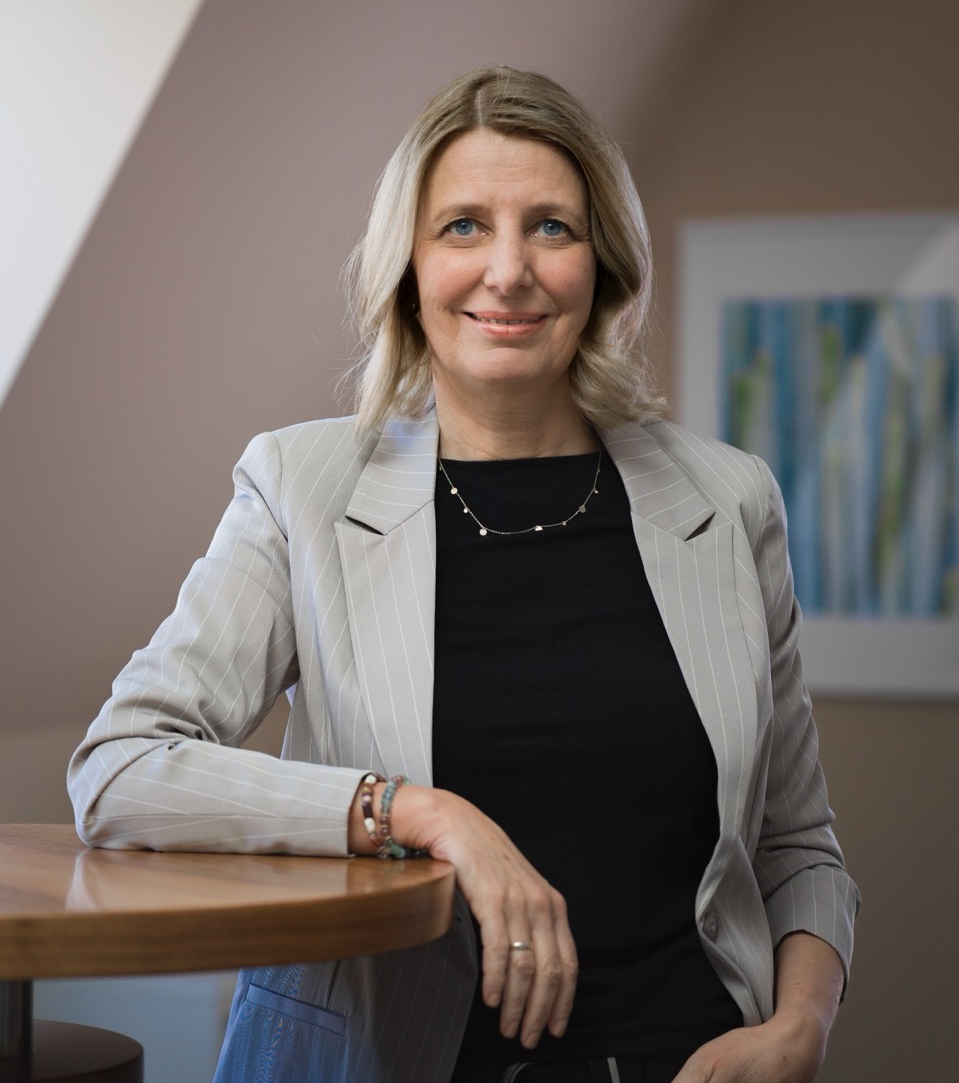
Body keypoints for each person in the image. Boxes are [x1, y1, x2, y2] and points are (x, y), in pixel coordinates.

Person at [69, 66, 859, 1083]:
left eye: (550, 227)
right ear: (405, 265)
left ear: (603, 265)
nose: (507, 269)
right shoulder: (301, 486)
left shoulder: (728, 497)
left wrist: (799, 1025)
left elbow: (796, 846)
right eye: (461, 227)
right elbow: (119, 766)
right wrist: (421, 812)